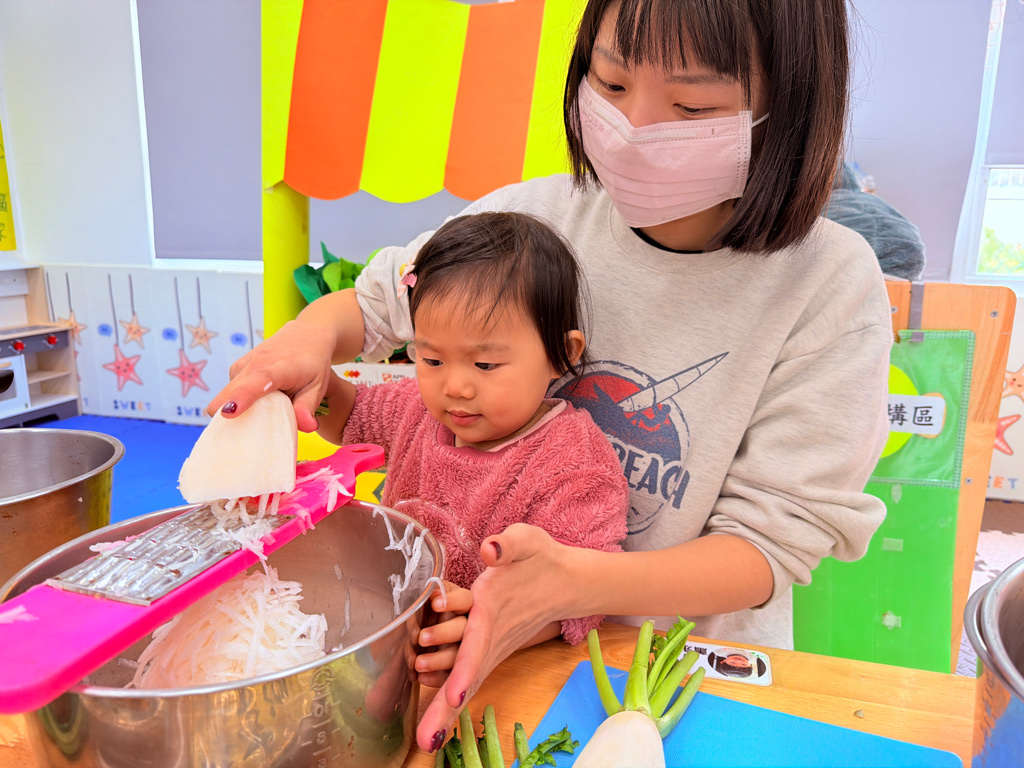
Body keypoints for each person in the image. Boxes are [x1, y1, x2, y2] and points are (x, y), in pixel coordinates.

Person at [210, 0, 892, 752]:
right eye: (611, 83)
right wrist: (306, 341)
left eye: (691, 106)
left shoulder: (828, 284)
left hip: (670, 677)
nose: (634, 127)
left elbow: (767, 546)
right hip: (471, 660)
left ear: (788, 105)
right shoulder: (533, 216)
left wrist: (570, 586)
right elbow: (371, 306)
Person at [310, 210, 628, 695]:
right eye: (432, 359)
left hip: (508, 675)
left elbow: (582, 599)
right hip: (393, 651)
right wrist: (309, 383)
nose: (454, 386)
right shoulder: (416, 409)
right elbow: (350, 415)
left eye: (485, 364)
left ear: (562, 354)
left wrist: (487, 632)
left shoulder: (574, 462)